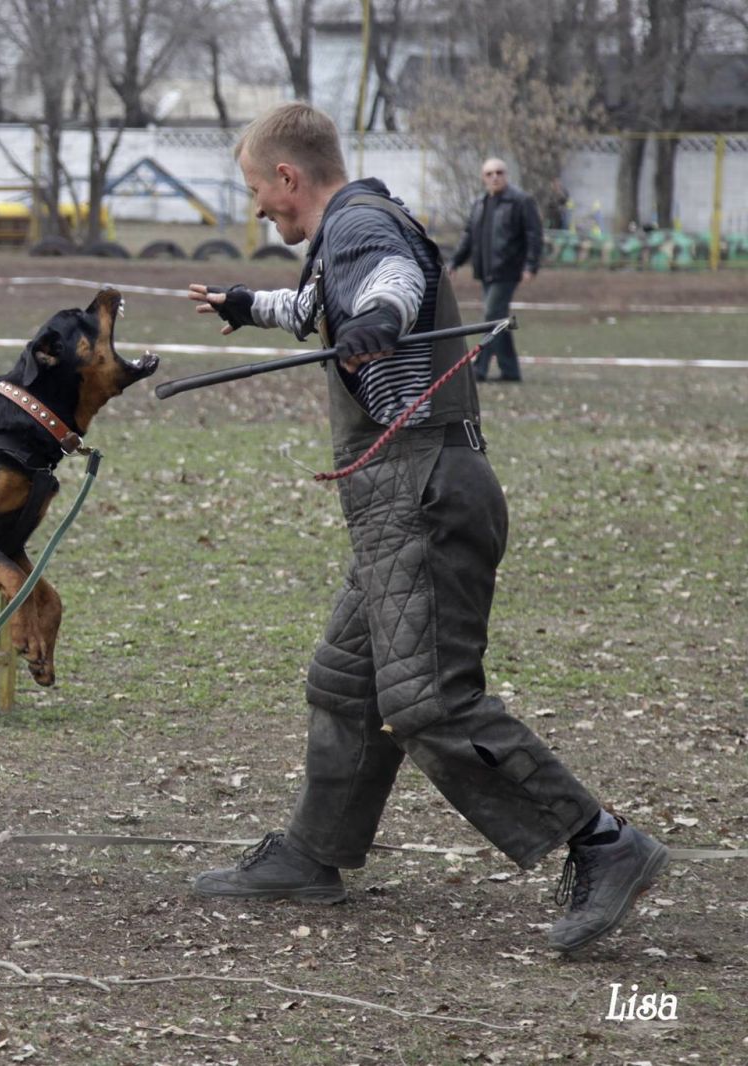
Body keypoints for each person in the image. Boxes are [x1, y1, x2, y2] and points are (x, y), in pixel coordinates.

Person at [184, 103, 666, 954]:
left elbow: (391, 284)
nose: (257, 207)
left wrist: (380, 320)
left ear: (288, 176)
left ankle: (603, 843)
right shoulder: (346, 229)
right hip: (398, 502)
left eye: (257, 189)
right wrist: (244, 304)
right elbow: (316, 306)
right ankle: (312, 853)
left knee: (429, 700)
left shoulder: (362, 227)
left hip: (425, 494)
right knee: (347, 680)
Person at [448, 158, 542, 382]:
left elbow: (534, 235)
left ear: (506, 175)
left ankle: (479, 369)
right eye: (489, 174)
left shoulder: (521, 201)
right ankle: (510, 371)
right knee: (498, 320)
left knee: (491, 315)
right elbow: (469, 236)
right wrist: (454, 262)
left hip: (508, 270)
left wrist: (531, 265)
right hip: (486, 271)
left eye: (499, 172)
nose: (495, 177)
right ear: (483, 178)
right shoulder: (479, 203)